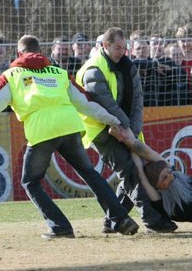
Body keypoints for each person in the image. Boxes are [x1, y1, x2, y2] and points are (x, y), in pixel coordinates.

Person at [0, 34, 139, 239]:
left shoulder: (12, 75)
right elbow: (86, 102)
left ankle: (60, 226)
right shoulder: (59, 73)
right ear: (40, 52)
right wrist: (112, 120)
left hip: (42, 131)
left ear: (19, 53)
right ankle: (121, 218)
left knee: (30, 182)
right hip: (70, 127)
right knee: (89, 173)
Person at [75, 27, 177, 233]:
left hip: (127, 129)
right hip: (101, 131)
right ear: (105, 45)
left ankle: (112, 220)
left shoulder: (128, 67)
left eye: (124, 48)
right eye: (117, 48)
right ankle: (152, 219)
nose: (121, 52)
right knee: (131, 170)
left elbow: (138, 101)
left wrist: (133, 130)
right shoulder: (93, 70)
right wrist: (126, 128)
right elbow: (106, 105)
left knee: (132, 170)